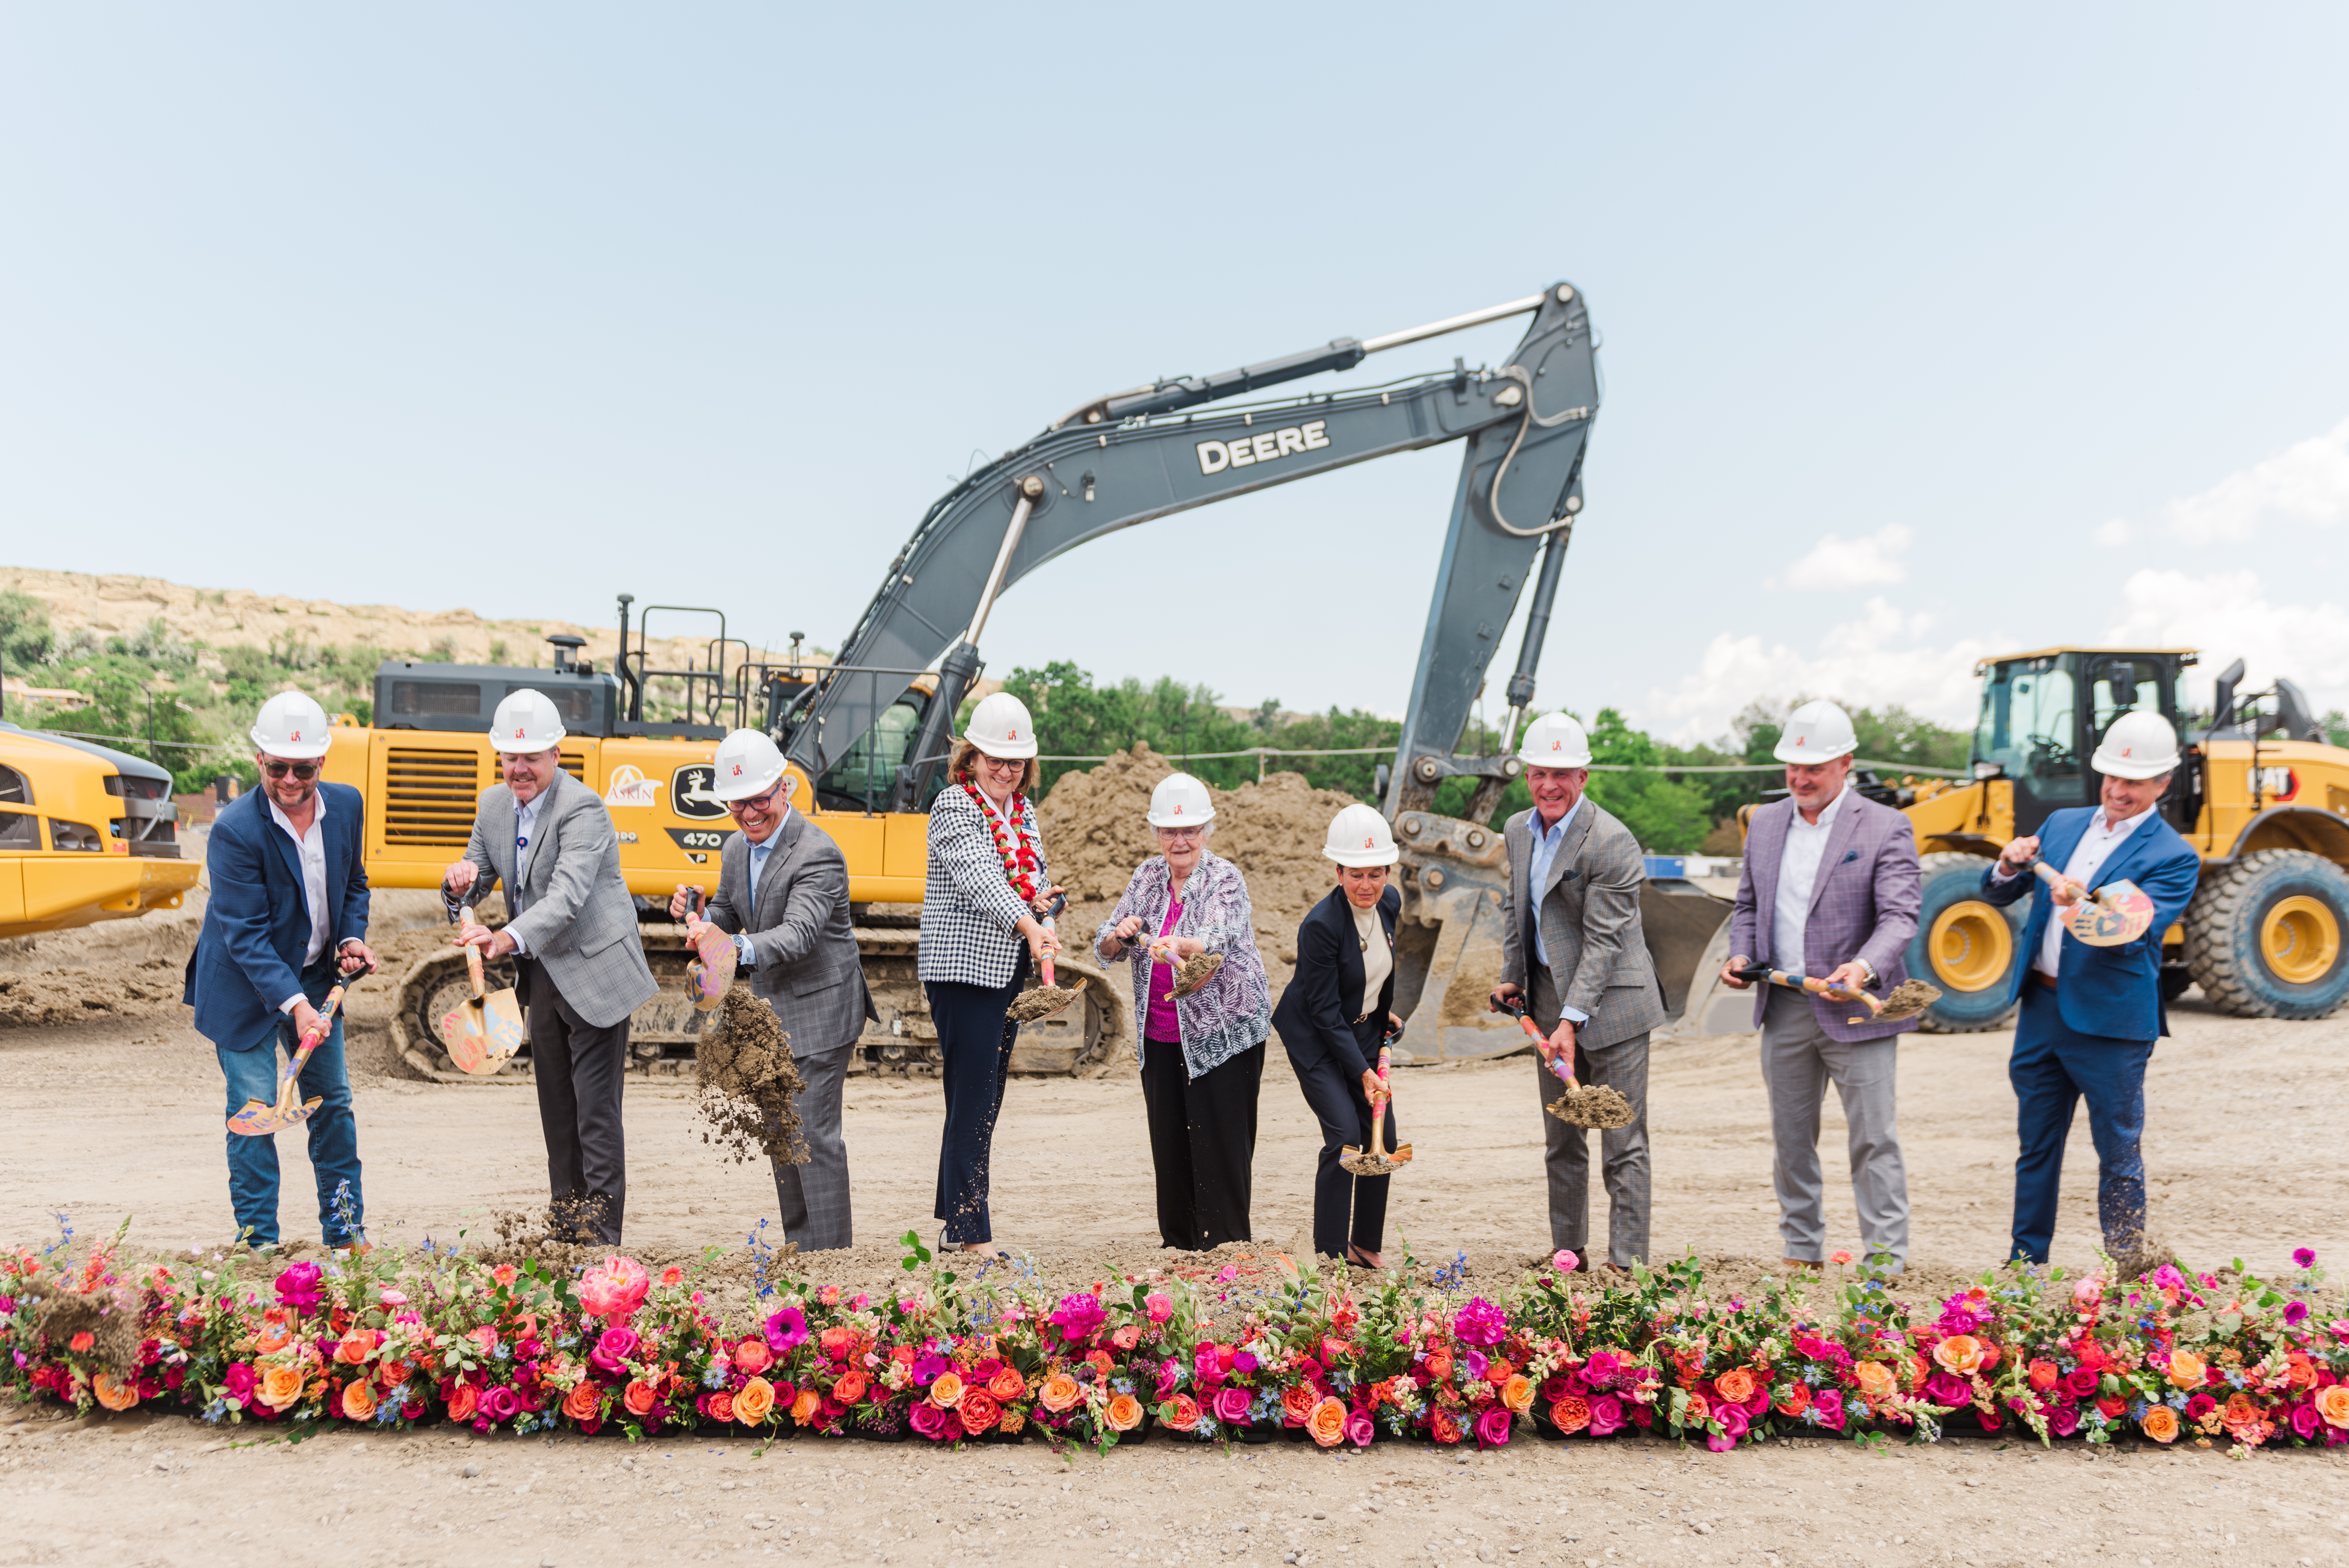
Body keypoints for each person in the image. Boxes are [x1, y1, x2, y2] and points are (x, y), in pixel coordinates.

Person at [1980, 709, 2200, 1270]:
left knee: (2118, 1152)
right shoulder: (2061, 824)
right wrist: (2009, 865)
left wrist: (2082, 905)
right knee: (2036, 1148)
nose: (2118, 790)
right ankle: (2025, 1263)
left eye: (2133, 781)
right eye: (2111, 777)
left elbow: (2136, 934)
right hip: (2042, 1008)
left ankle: (2128, 1268)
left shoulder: (2174, 856)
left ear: (2162, 784)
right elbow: (2001, 894)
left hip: (2112, 1023)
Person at [445, 689, 657, 1244]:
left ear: (556, 755)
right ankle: (568, 1231)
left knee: (595, 1114)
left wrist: (505, 938)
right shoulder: (493, 805)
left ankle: (602, 1240)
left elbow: (565, 898)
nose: (520, 768)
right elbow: (477, 877)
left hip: (594, 974)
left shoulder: (582, 808)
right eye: (511, 757)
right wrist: (458, 884)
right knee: (557, 1113)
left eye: (532, 757)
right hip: (541, 977)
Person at [1718, 699, 1923, 1272]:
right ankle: (1801, 1248)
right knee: (1791, 1138)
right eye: (1793, 767)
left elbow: (1901, 916)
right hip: (1785, 1005)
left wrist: (1861, 968)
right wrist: (1742, 952)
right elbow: (1749, 904)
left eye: (1816, 767)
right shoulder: (1764, 822)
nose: (1802, 779)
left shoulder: (1886, 825)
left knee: (1873, 1138)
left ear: (1846, 763)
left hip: (1857, 1008)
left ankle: (1884, 1257)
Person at [670, 729, 876, 1252]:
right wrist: (697, 910)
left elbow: (798, 934)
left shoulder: (817, 855)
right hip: (774, 1012)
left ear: (785, 789)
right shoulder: (737, 848)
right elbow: (729, 910)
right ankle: (802, 1248)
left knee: (811, 1134)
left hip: (823, 1009)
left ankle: (830, 1260)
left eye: (760, 798)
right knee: (782, 1133)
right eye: (738, 802)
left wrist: (731, 947)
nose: (749, 812)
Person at [184, 692, 377, 1249]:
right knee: (255, 1113)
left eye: (303, 768)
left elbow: (354, 884)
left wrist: (350, 937)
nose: (290, 779)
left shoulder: (346, 805)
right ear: (259, 761)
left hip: (317, 978)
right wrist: (297, 1009)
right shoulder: (235, 830)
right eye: (277, 767)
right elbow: (246, 935)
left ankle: (345, 1236)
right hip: (244, 990)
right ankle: (259, 1245)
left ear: (323, 763)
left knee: (334, 1107)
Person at [1487, 713, 1665, 1272]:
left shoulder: (1612, 841)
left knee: (1622, 1137)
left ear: (1583, 777)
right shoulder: (1519, 829)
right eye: (1540, 772)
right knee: (1563, 1136)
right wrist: (1513, 974)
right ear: (1527, 776)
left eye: (1562, 774)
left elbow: (1603, 944)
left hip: (1614, 1003)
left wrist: (1570, 1022)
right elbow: (1520, 910)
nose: (1550, 785)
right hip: (1545, 1000)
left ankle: (1627, 1262)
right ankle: (1570, 1253)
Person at [1095, 772, 1272, 1250]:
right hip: (1160, 1034)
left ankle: (1227, 1250)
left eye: (1190, 830)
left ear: (1207, 832)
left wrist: (1182, 943)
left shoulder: (1225, 878)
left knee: (1221, 1147)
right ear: (1156, 834)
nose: (1180, 840)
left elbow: (1217, 938)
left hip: (1223, 1036)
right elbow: (1105, 943)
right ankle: (1179, 1247)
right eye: (1170, 831)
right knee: (1170, 1146)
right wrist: (1123, 931)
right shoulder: (1147, 876)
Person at [919, 690, 1061, 1254]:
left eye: (1017, 761)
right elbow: (981, 880)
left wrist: (1048, 905)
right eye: (995, 759)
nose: (1007, 770)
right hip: (962, 973)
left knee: (981, 1098)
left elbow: (1032, 877)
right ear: (970, 759)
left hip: (1006, 970)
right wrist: (1030, 924)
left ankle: (954, 1212)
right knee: (974, 1099)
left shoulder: (1022, 812)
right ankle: (969, 1232)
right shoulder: (954, 807)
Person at [1272, 803, 1404, 1268]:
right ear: (1338, 870)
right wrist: (1364, 1071)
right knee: (1347, 1137)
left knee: (1382, 1132)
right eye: (1355, 874)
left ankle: (1364, 1244)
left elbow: (1380, 971)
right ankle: (1329, 1252)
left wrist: (1383, 1014)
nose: (1366, 885)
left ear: (1388, 870)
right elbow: (1325, 1012)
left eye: (1376, 873)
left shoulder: (1390, 903)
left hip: (1361, 1031)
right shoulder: (1320, 926)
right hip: (1316, 1038)